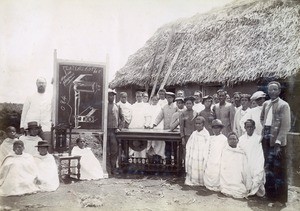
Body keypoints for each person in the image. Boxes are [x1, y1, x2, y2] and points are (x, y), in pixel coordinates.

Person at [260, 81, 291, 204]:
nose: (272, 91)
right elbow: (262, 118)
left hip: (278, 141)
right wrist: (266, 128)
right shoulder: (266, 104)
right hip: (267, 138)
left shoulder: (284, 105)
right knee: (268, 167)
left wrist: (278, 141)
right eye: (270, 89)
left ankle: (281, 198)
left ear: (278, 91)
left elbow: (285, 126)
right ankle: (270, 195)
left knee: (279, 169)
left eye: (274, 89)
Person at [219, 132, 252, 198]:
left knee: (241, 189)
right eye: (230, 139)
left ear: (237, 140)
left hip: (238, 175)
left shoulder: (241, 152)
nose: (232, 140)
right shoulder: (225, 151)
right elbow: (223, 165)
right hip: (226, 176)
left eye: (234, 139)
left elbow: (245, 168)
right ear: (227, 141)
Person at [20, 77, 52, 143]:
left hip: (46, 126)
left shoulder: (50, 97)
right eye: (39, 83)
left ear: (46, 84)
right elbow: (24, 112)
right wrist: (22, 126)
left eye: (43, 83)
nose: (41, 85)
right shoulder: (30, 96)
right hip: (32, 126)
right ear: (36, 84)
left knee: (47, 145)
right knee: (31, 145)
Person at [238, 119, 265, 197]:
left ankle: (255, 188)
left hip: (255, 161)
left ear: (254, 127)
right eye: (247, 127)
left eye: (251, 127)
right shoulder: (241, 139)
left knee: (258, 171)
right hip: (245, 162)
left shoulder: (258, 138)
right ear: (245, 128)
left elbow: (260, 153)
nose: (249, 128)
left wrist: (257, 163)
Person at [153, 92, 177, 163]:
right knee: (167, 147)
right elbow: (160, 116)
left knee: (175, 146)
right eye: (167, 97)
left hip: (175, 130)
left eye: (170, 97)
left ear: (173, 98)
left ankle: (175, 163)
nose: (169, 99)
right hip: (166, 130)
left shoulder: (176, 107)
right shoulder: (164, 107)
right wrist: (154, 123)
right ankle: (168, 163)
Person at [185, 116, 210, 186]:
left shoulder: (206, 134)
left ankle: (200, 181)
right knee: (193, 166)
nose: (198, 125)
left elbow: (207, 146)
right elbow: (189, 144)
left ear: (203, 124)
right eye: (196, 123)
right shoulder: (194, 133)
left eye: (199, 123)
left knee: (200, 167)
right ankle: (193, 179)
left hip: (201, 155)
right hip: (194, 154)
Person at [203, 119, 227, 191]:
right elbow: (206, 150)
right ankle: (209, 183)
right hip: (211, 159)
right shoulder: (210, 138)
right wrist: (207, 159)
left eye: (218, 128)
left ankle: (217, 184)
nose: (216, 130)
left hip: (219, 159)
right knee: (210, 170)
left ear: (221, 128)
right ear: (212, 129)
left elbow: (225, 151)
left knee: (218, 172)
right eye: (214, 128)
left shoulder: (224, 139)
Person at [107, 89, 124, 175]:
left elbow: (122, 118)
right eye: (110, 95)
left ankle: (113, 168)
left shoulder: (117, 106)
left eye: (113, 95)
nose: (111, 97)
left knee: (114, 151)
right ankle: (107, 169)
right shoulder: (103, 106)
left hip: (114, 131)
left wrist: (119, 128)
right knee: (106, 150)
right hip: (106, 131)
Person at [129, 91, 148, 158]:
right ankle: (136, 161)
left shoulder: (146, 106)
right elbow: (130, 116)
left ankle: (143, 159)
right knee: (135, 144)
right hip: (134, 127)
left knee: (143, 144)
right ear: (135, 97)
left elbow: (147, 116)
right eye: (137, 96)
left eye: (140, 96)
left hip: (142, 127)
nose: (138, 98)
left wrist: (146, 125)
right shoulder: (133, 106)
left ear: (142, 97)